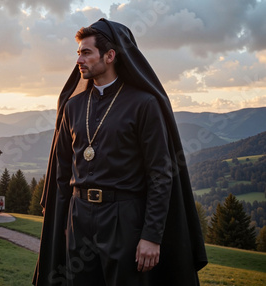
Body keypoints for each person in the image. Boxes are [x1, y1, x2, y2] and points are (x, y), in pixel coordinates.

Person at [33, 18, 207, 286]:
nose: (79, 59)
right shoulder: (73, 107)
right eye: (78, 53)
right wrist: (63, 221)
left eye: (86, 52)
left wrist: (151, 235)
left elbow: (161, 175)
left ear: (110, 55)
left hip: (125, 219)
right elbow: (62, 171)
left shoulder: (144, 104)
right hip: (79, 218)